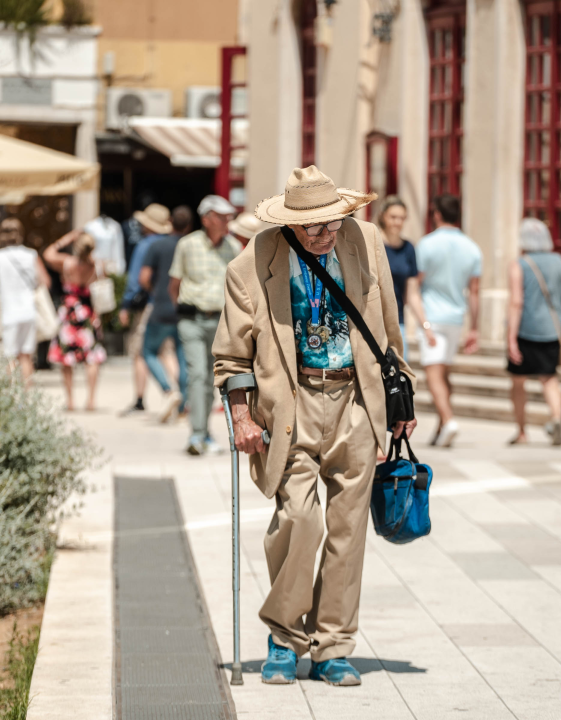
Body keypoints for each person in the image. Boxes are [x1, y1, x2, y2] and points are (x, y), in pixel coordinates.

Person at [213, 165, 416, 687]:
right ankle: (284, 635)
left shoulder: (366, 241)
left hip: (355, 399)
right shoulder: (253, 262)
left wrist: (401, 400)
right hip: (291, 404)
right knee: (301, 520)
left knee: (348, 532)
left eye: (332, 220)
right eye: (313, 225)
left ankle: (332, 646)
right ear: (290, 223)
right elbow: (231, 355)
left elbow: (389, 326)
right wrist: (240, 415)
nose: (325, 232)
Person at [170, 194, 240, 455]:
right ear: (207, 219)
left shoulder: (233, 247)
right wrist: (182, 311)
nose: (227, 221)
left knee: (214, 379)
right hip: (192, 320)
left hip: (220, 321)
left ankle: (206, 432)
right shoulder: (187, 245)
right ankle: (196, 435)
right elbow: (174, 284)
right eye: (222, 217)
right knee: (197, 374)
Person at [416, 194, 481, 447]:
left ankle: (449, 419)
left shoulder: (426, 245)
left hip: (431, 316)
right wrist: (474, 327)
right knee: (444, 374)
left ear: (437, 214)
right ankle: (442, 427)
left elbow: (415, 284)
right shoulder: (472, 247)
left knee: (433, 374)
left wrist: (420, 319)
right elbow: (474, 291)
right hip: (456, 318)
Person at [506, 218, 561, 446]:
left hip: (526, 330)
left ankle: (522, 431)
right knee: (549, 378)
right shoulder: (559, 260)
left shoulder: (519, 264)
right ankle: (558, 419)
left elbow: (516, 302)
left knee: (518, 382)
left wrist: (511, 338)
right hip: (552, 329)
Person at [43, 230, 107, 412]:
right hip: (88, 312)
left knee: (67, 358)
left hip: (70, 312)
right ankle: (91, 400)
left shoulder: (67, 263)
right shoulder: (98, 266)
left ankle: (70, 401)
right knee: (91, 358)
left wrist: (66, 238)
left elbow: (48, 254)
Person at [118, 203, 172, 415]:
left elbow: (137, 280)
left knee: (140, 352)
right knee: (167, 352)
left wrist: (125, 305)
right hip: (168, 305)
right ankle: (181, 396)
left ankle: (140, 399)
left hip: (148, 306)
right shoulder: (171, 244)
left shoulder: (145, 246)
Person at [139, 206, 192, 422]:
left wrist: (156, 291)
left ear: (170, 221)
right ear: (189, 225)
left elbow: (143, 277)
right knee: (183, 359)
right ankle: (183, 405)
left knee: (148, 352)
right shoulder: (191, 246)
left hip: (161, 307)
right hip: (185, 307)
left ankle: (169, 391)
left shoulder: (157, 245)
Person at [0, 217, 50, 386]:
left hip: (7, 312)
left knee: (9, 356)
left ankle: (12, 398)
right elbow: (45, 282)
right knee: (26, 356)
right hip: (28, 311)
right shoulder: (31, 255)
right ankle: (27, 398)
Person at [377, 196, 428, 359]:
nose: (397, 222)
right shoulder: (373, 243)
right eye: (393, 217)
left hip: (397, 320)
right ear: (384, 216)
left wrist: (425, 326)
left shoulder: (409, 248)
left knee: (400, 370)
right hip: (372, 319)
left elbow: (412, 293)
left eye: (401, 218)